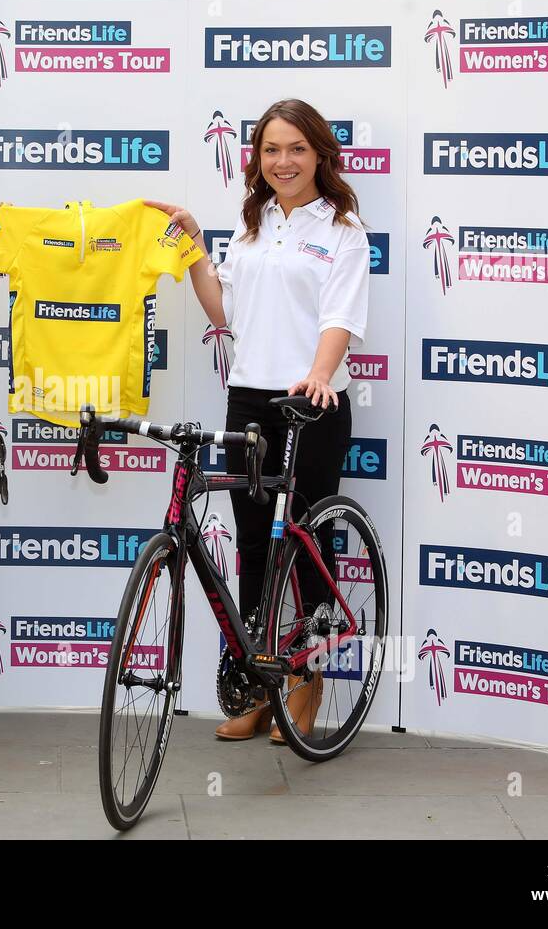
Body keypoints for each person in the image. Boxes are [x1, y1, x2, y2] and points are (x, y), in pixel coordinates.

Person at [146, 98, 370, 745]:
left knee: (304, 547)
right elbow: (226, 315)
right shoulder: (252, 224)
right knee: (250, 546)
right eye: (272, 149)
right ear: (258, 159)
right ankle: (256, 682)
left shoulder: (343, 228)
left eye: (296, 148)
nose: (284, 161)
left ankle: (307, 681)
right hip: (248, 398)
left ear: (320, 155)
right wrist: (193, 250)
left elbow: (341, 318)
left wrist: (322, 372)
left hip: (312, 402)